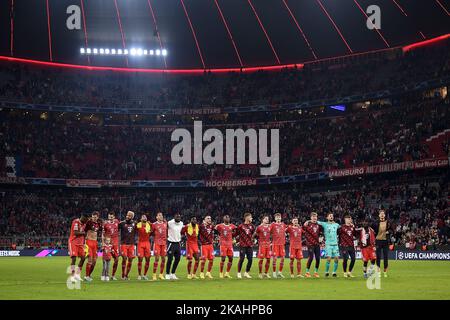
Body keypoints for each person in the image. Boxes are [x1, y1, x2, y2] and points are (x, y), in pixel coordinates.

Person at [316, 212, 340, 277]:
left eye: (332, 216)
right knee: (329, 258)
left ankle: (334, 272)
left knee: (336, 259)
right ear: (327, 217)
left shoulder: (336, 225)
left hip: (335, 244)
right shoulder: (325, 224)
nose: (331, 217)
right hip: (328, 244)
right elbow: (316, 221)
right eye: (330, 216)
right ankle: (326, 272)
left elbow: (343, 228)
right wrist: (308, 221)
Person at [68, 214, 88, 282]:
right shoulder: (76, 222)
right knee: (74, 259)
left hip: (80, 244)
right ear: (82, 217)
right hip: (73, 242)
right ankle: (72, 276)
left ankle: (77, 275)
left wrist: (84, 242)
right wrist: (83, 233)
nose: (86, 221)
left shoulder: (84, 224)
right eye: (86, 219)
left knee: (83, 258)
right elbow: (75, 233)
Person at [372, 209, 392, 277]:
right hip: (378, 241)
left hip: (385, 241)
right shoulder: (376, 222)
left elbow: (391, 230)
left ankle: (385, 271)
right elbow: (372, 230)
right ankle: (378, 271)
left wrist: (388, 232)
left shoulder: (388, 222)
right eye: (381, 213)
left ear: (385, 215)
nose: (382, 214)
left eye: (383, 213)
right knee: (378, 257)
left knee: (386, 257)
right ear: (379, 215)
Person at [84, 211, 102, 282]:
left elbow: (100, 231)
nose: (94, 218)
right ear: (91, 216)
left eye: (95, 217)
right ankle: (86, 276)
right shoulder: (88, 223)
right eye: (93, 217)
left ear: (97, 217)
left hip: (95, 243)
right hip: (88, 242)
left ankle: (89, 275)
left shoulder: (99, 224)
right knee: (90, 260)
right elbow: (84, 230)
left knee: (94, 261)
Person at [236, 213, 255, 279]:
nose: (251, 218)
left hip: (249, 245)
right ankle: (238, 273)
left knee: (250, 259)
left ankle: (246, 273)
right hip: (242, 245)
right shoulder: (241, 226)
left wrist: (254, 240)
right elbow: (236, 233)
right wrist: (237, 241)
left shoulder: (252, 226)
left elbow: (253, 234)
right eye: (250, 217)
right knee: (242, 259)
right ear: (246, 218)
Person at [303, 212, 322, 278]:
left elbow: (321, 233)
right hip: (310, 243)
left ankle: (316, 272)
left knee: (318, 258)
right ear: (311, 217)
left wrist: (321, 238)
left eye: (315, 217)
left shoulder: (318, 225)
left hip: (317, 244)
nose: (314, 218)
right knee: (311, 257)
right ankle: (307, 272)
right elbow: (303, 229)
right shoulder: (307, 224)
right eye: (313, 217)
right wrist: (307, 221)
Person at [119, 211, 136, 280]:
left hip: (131, 244)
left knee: (130, 260)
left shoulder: (135, 223)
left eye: (129, 215)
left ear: (132, 217)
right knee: (124, 258)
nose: (127, 216)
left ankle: (126, 275)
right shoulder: (122, 223)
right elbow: (115, 229)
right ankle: (123, 275)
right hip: (124, 244)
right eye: (127, 215)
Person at [166, 213, 184, 280]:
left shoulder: (181, 223)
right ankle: (167, 274)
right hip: (171, 243)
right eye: (177, 217)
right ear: (174, 217)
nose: (178, 218)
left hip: (178, 243)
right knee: (170, 259)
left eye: (179, 217)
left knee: (178, 259)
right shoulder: (170, 223)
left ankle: (173, 273)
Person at [102, 211, 120, 280]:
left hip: (115, 243)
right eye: (109, 217)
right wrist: (103, 243)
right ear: (108, 217)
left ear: (114, 217)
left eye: (112, 217)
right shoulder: (105, 224)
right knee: (106, 260)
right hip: (108, 243)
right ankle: (104, 274)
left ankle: (113, 275)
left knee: (116, 259)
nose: (110, 218)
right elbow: (103, 234)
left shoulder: (117, 222)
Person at [151, 212, 168, 281]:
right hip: (157, 243)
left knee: (163, 259)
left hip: (164, 243)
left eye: (161, 215)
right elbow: (151, 233)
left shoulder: (165, 224)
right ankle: (154, 274)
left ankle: (161, 274)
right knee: (157, 259)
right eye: (159, 215)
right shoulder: (154, 224)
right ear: (156, 217)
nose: (161, 216)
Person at [270, 213, 287, 278]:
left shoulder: (283, 224)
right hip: (275, 244)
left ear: (281, 218)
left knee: (283, 258)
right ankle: (274, 273)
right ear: (275, 218)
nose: (278, 218)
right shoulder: (273, 224)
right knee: (275, 258)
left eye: (279, 217)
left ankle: (280, 272)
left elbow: (288, 229)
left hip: (282, 244)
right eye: (277, 217)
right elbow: (269, 231)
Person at [136, 214, 152, 280]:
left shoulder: (149, 225)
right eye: (143, 217)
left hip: (147, 243)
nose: (144, 218)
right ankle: (139, 275)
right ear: (141, 219)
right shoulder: (138, 225)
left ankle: (145, 275)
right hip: (140, 243)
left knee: (148, 259)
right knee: (140, 259)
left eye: (145, 217)